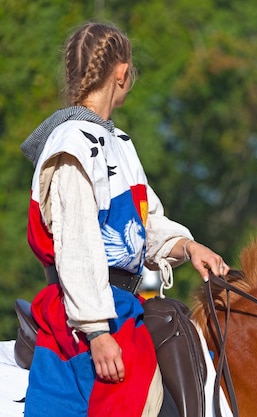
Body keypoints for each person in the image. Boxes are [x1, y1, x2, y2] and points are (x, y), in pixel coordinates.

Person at [20, 21, 230, 417]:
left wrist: (188, 245)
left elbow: (145, 224)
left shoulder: (118, 145)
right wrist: (97, 332)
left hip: (123, 306)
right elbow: (78, 247)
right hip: (83, 316)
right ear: (122, 73)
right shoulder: (71, 148)